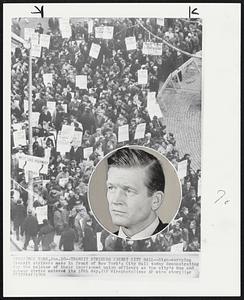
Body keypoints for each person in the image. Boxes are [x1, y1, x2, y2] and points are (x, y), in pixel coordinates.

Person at [106, 147, 168, 240]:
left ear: (155, 201)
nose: (115, 200)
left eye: (129, 191)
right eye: (111, 188)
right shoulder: (105, 241)